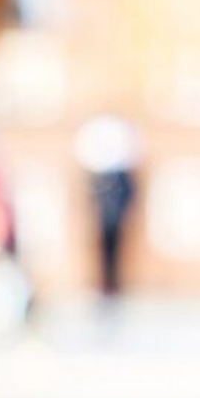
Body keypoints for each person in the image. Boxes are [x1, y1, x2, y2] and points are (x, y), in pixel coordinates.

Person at [73, 114, 140, 297]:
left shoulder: (120, 175)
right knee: (102, 249)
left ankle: (114, 284)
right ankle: (104, 284)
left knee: (116, 249)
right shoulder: (99, 175)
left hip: (115, 217)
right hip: (103, 217)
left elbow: (128, 193)